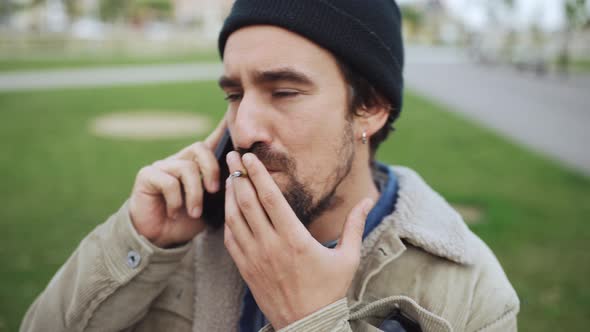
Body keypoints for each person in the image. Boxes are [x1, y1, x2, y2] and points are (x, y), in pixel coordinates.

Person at [20, 1, 519, 331]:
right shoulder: (184, 233)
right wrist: (139, 241)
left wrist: (311, 319)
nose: (245, 126)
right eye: (235, 93)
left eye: (283, 91)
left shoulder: (469, 291)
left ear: (370, 106)